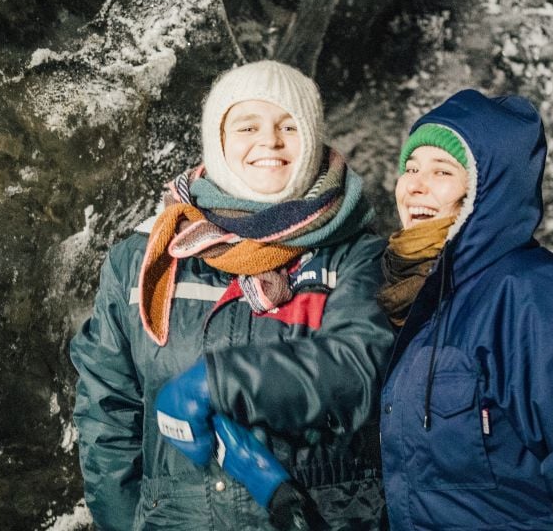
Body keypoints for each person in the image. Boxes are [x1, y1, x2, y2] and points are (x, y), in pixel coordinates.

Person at [71, 60, 394, 531]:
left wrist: (219, 381)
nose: (270, 142)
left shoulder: (356, 255)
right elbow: (109, 417)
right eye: (248, 125)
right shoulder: (144, 260)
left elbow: (358, 370)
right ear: (218, 139)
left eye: (289, 126)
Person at [378, 89, 553, 530]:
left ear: (488, 192)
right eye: (411, 167)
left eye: (442, 171)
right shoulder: (425, 302)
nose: (415, 184)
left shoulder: (536, 297)